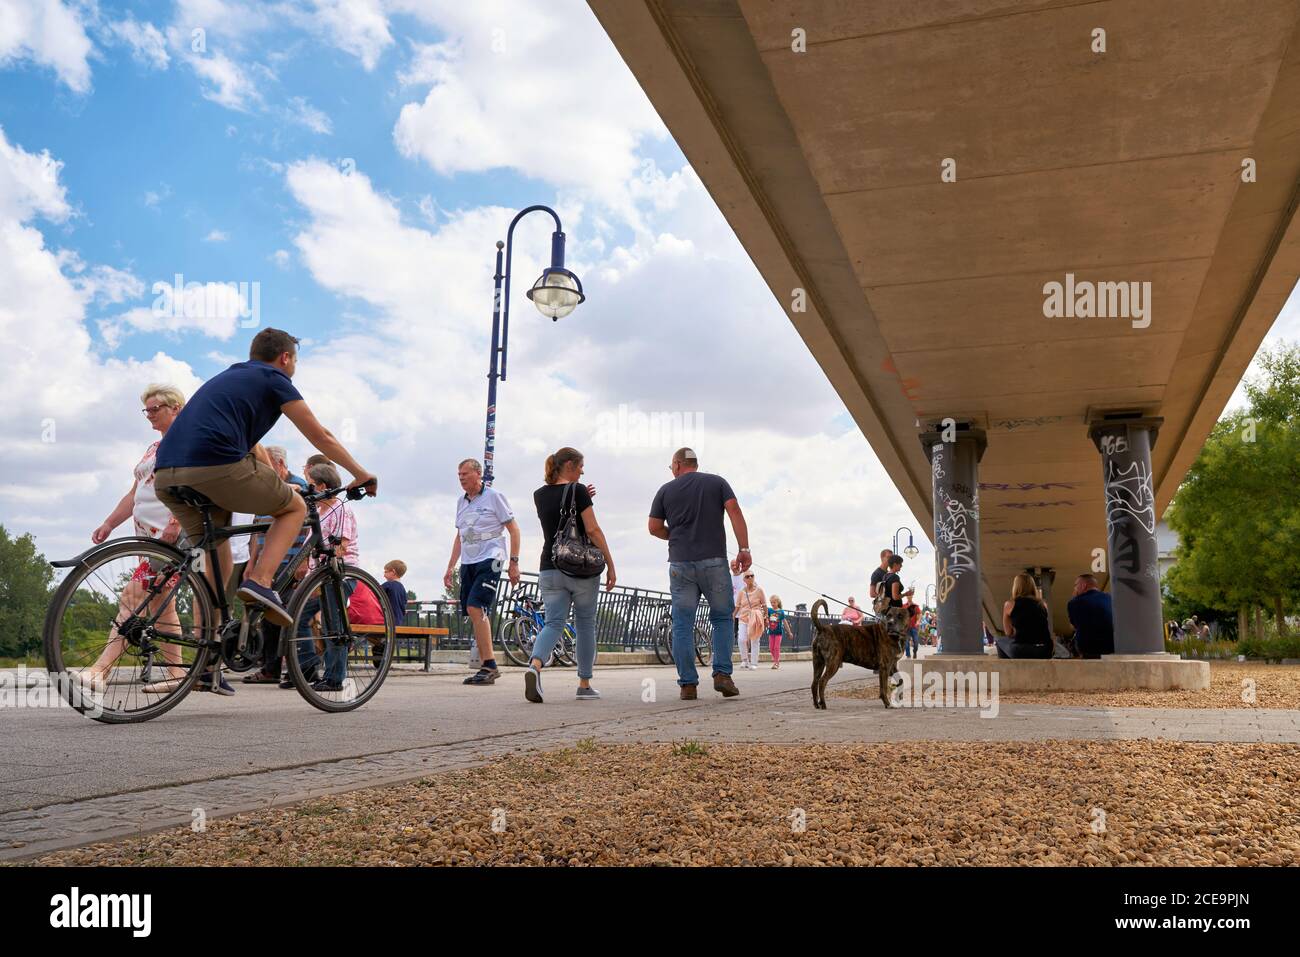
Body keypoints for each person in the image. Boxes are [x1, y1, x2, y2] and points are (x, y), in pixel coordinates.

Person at [153, 328, 376, 638]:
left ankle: (211, 650)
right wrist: (360, 473)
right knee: (294, 508)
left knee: (218, 556)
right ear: (285, 358)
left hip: (165, 475)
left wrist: (273, 478)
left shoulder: (229, 379)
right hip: (214, 467)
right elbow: (320, 435)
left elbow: (253, 445)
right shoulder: (275, 380)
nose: (294, 368)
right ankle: (261, 582)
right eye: (295, 361)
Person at [82, 385, 189, 692]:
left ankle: (100, 670)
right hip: (149, 539)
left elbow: (190, 483)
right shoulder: (154, 448)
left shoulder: (186, 442)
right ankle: (177, 674)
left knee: (132, 597)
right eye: (147, 410)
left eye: (155, 409)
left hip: (170, 537)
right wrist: (109, 523)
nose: (149, 415)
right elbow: (134, 493)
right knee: (163, 607)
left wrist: (175, 520)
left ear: (176, 408)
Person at [648, 447, 749, 699]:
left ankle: (688, 685)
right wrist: (744, 548)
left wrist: (674, 535)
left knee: (682, 624)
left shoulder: (665, 490)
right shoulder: (717, 482)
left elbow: (653, 527)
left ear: (678, 464)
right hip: (714, 562)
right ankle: (723, 675)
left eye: (671, 466)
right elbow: (734, 510)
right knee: (722, 618)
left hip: (680, 564)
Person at [526, 447, 616, 703]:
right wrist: (610, 563)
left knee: (554, 622)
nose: (582, 471)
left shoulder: (539, 495)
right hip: (580, 568)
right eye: (579, 467)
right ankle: (584, 684)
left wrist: (582, 495)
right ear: (568, 465)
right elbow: (593, 530)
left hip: (550, 566)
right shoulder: (577, 491)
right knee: (585, 623)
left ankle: (535, 665)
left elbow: (558, 513)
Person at [444, 458, 521, 686]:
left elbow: (514, 530)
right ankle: (488, 665)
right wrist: (450, 566)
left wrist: (514, 562)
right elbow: (459, 537)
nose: (461, 478)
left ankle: (489, 665)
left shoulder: (494, 497)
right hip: (469, 560)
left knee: (475, 606)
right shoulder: (461, 502)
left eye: (465, 474)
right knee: (472, 610)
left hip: (492, 556)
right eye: (459, 475)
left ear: (478, 474)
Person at [243, 446, 311, 684]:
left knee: (290, 615)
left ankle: (296, 669)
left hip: (290, 562)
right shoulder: (265, 486)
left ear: (280, 465)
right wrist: (252, 562)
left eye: (267, 465)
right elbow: (257, 530)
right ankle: (270, 668)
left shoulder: (299, 486)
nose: (263, 470)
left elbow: (311, 526)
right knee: (267, 616)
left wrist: (304, 559)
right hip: (266, 564)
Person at [291, 462, 359, 692]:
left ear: (322, 485)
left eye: (310, 485)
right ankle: (309, 668)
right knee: (298, 618)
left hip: (339, 574)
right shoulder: (320, 512)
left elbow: (342, 547)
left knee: (333, 626)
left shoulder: (340, 509)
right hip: (320, 577)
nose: (308, 490)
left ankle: (334, 678)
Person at [996, 573, 1053, 659]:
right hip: (1045, 650)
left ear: (1016, 587)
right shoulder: (1043, 604)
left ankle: (1010, 671)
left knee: (999, 641)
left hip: (1022, 650)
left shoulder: (1010, 604)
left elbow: (1008, 633)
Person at [1066, 574, 1114, 659]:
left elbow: (1073, 626)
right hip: (1111, 647)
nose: (1075, 588)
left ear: (1083, 585)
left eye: (1076, 585)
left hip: (1089, 649)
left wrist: (1074, 598)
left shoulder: (1075, 602)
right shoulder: (1111, 598)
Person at [734, 571, 767, 670]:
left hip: (755, 618)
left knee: (754, 640)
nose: (750, 578)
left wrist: (766, 618)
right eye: (747, 576)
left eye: (752, 576)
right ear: (744, 580)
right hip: (743, 618)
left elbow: (764, 605)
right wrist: (732, 616)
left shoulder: (759, 590)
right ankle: (745, 660)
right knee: (741, 639)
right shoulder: (741, 592)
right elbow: (737, 606)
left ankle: (754, 663)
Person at [878, 554, 910, 646]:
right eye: (900, 564)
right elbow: (895, 596)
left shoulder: (885, 576)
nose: (901, 566)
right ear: (895, 564)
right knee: (896, 635)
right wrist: (905, 594)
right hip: (895, 611)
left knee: (888, 635)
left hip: (887, 610)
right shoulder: (895, 577)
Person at [381, 560, 409, 625]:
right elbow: (404, 605)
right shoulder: (402, 588)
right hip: (399, 622)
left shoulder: (388, 585)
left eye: (386, 572)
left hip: (388, 622)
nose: (384, 575)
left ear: (393, 572)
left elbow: (375, 593)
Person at [766, 596, 790, 669]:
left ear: (778, 602)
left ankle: (776, 663)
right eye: (771, 602)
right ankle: (776, 661)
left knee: (776, 647)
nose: (772, 604)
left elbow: (785, 622)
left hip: (779, 632)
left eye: (774, 602)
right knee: (771, 648)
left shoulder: (781, 612)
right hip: (771, 632)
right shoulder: (769, 610)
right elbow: (765, 617)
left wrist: (789, 632)